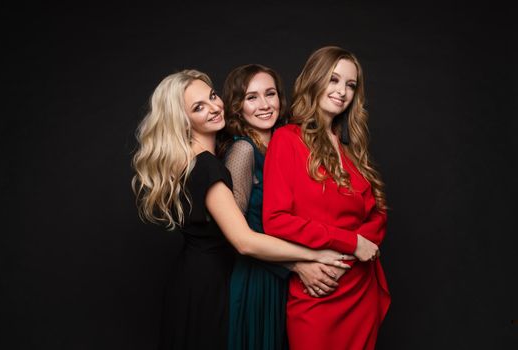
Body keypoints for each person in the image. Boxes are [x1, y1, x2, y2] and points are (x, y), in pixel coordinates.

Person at [131, 69, 350, 350]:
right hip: (209, 287)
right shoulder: (207, 167)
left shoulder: (201, 161)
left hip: (201, 282)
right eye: (199, 107)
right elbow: (243, 241)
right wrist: (312, 257)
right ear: (182, 121)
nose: (213, 107)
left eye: (212, 97)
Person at [262, 46, 391, 350]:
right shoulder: (287, 139)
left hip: (360, 290)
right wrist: (350, 243)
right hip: (319, 290)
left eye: (350, 85)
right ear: (314, 80)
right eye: (333, 80)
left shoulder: (351, 151)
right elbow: (276, 221)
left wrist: (358, 246)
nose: (342, 91)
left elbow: (378, 215)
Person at [220, 64, 346, 350]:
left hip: (287, 279)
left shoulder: (288, 142)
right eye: (252, 98)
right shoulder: (243, 150)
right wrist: (298, 263)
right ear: (237, 107)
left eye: (270, 94)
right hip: (258, 278)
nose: (264, 105)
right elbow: (235, 235)